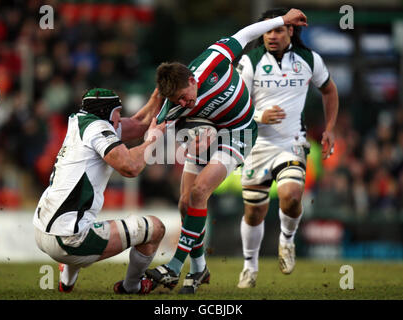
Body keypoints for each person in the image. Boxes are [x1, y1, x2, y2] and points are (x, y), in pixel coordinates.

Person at [145, 8, 309, 294]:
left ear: (193, 80)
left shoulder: (213, 61)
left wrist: (283, 20)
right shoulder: (174, 105)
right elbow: (155, 133)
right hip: (205, 134)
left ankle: (174, 267)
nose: (183, 103)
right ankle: (199, 270)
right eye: (176, 101)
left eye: (184, 97)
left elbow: (246, 34)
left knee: (199, 193)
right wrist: (164, 141)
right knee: (185, 204)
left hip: (238, 132)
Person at [235, 8, 339, 288]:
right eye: (267, 30)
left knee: (291, 196)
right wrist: (258, 116)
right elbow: (237, 104)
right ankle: (249, 266)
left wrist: (329, 128)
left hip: (291, 143)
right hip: (257, 145)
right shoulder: (249, 61)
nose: (271, 35)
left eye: (277, 29)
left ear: (290, 31)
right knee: (254, 212)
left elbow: (329, 90)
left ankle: (287, 240)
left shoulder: (309, 59)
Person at [33, 87, 167, 294]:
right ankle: (131, 286)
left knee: (81, 221)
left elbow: (139, 123)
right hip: (67, 238)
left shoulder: (79, 121)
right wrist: (153, 140)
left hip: (43, 228)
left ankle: (67, 279)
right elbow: (131, 168)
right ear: (106, 113)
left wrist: (159, 93)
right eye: (118, 112)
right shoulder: (98, 128)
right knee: (154, 229)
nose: (120, 118)